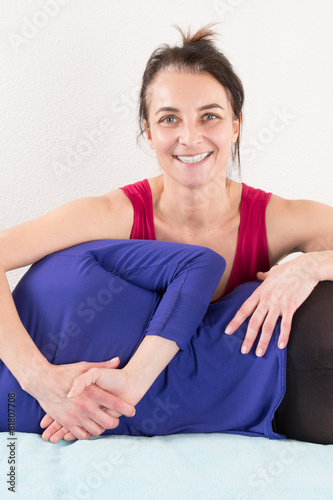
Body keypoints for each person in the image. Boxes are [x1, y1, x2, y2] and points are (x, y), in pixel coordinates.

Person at [0, 23, 332, 444]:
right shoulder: (114, 213)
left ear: (235, 124)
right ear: (149, 131)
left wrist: (313, 265)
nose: (189, 138)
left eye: (209, 116)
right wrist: (38, 379)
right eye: (169, 118)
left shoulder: (276, 219)